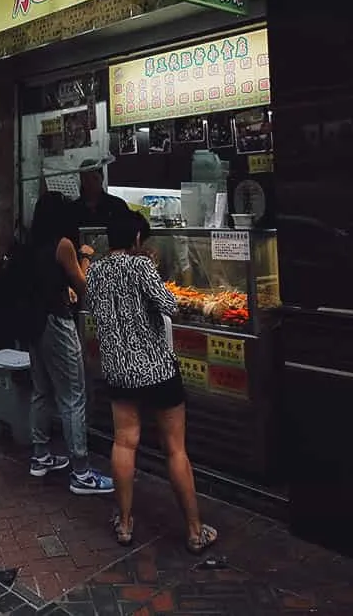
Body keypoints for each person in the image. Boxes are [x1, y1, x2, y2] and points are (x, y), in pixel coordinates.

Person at [87, 211, 216, 552]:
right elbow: (169, 304)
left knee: (124, 443)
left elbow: (93, 307)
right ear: (136, 239)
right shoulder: (140, 266)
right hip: (157, 369)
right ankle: (194, 529)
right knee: (174, 448)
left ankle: (126, 523)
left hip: (119, 370)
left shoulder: (96, 271)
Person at [25, 192, 113, 494]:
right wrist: (85, 256)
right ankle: (81, 472)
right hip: (55, 322)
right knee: (73, 395)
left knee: (41, 389)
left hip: (33, 322)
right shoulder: (63, 245)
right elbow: (83, 285)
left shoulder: (31, 241)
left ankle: (40, 456)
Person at [63, 157, 131, 231]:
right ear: (81, 180)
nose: (90, 183)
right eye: (86, 179)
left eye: (94, 178)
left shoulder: (117, 205)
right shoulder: (72, 210)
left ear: (102, 178)